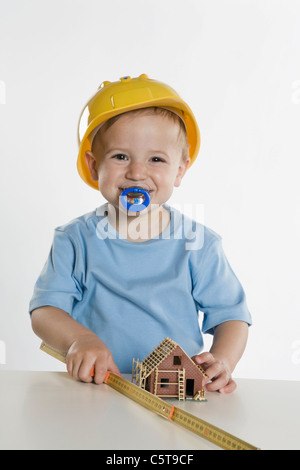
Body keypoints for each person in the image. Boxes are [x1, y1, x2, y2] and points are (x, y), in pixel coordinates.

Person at [29, 74, 252, 393]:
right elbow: (45, 310)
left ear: (179, 170)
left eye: (156, 159)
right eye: (120, 156)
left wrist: (222, 360)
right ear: (94, 167)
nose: (136, 172)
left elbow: (232, 316)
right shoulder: (74, 240)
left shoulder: (198, 243)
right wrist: (80, 340)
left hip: (177, 394)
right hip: (98, 389)